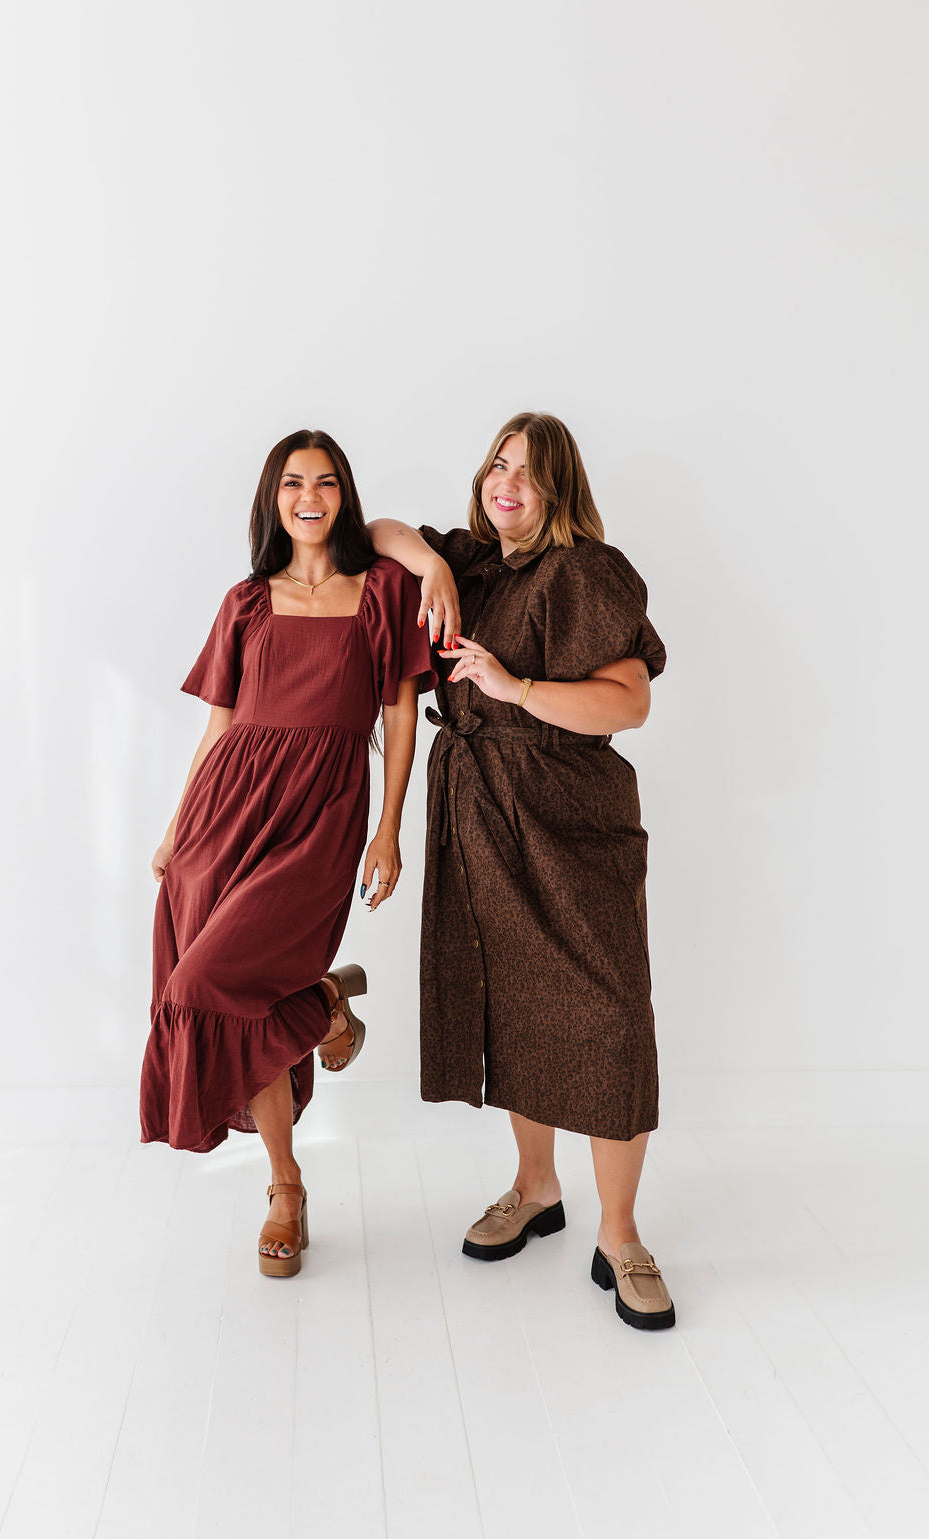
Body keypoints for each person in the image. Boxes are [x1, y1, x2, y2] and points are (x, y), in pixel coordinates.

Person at [368, 411, 675, 1329]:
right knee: (511, 1000)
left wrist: (516, 688)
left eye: (529, 472)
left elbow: (632, 700)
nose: (506, 483)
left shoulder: (583, 571)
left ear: (558, 490)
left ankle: (620, 1234)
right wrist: (429, 568)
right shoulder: (469, 564)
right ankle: (536, 1186)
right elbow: (373, 531)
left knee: (611, 1018)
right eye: (498, 463)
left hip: (568, 817)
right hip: (477, 810)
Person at [141, 429, 435, 1278]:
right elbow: (220, 727)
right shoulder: (246, 601)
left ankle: (323, 1000)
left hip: (322, 811)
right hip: (226, 812)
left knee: (205, 985)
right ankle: (287, 1185)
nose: (311, 497)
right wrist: (176, 827)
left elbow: (400, 715)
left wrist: (389, 826)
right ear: (273, 498)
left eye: (327, 482)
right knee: (241, 1000)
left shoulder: (383, 591)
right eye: (294, 483)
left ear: (345, 495)